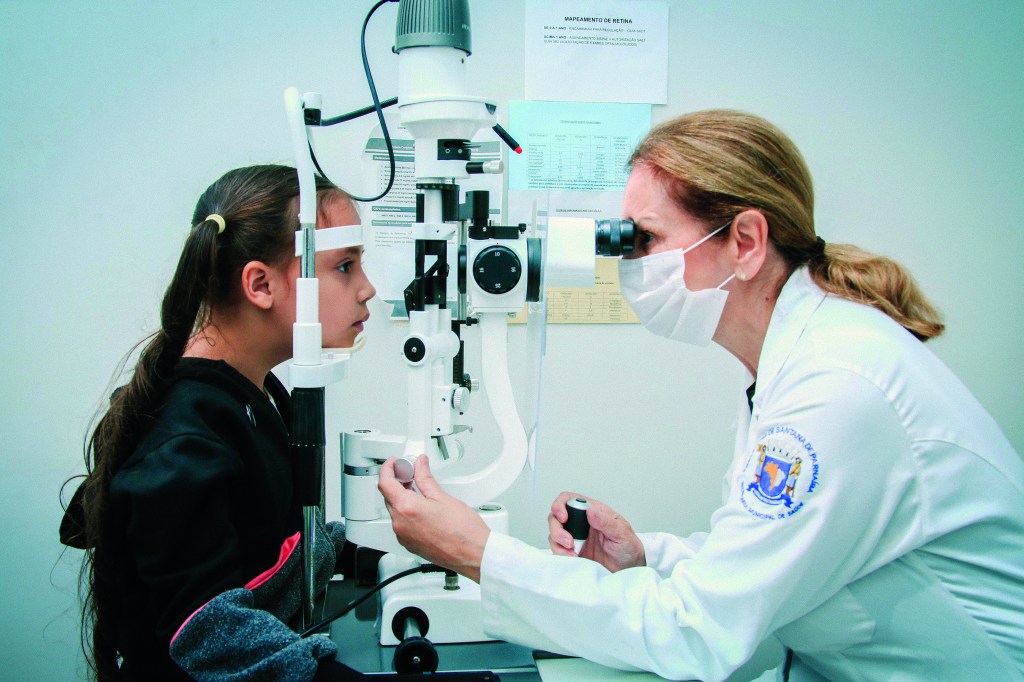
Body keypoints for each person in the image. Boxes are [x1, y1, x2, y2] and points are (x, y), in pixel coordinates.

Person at [378, 110, 1024, 681]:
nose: (630, 264)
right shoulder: (798, 361)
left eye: (646, 239)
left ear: (745, 242)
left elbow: (698, 632)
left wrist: (478, 553)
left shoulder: (837, 388)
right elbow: (758, 562)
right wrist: (647, 557)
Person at [60, 165, 376, 680]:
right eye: (345, 266)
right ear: (260, 284)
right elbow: (214, 639)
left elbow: (268, 548)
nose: (368, 289)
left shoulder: (251, 392)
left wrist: (405, 554)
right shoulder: (185, 442)